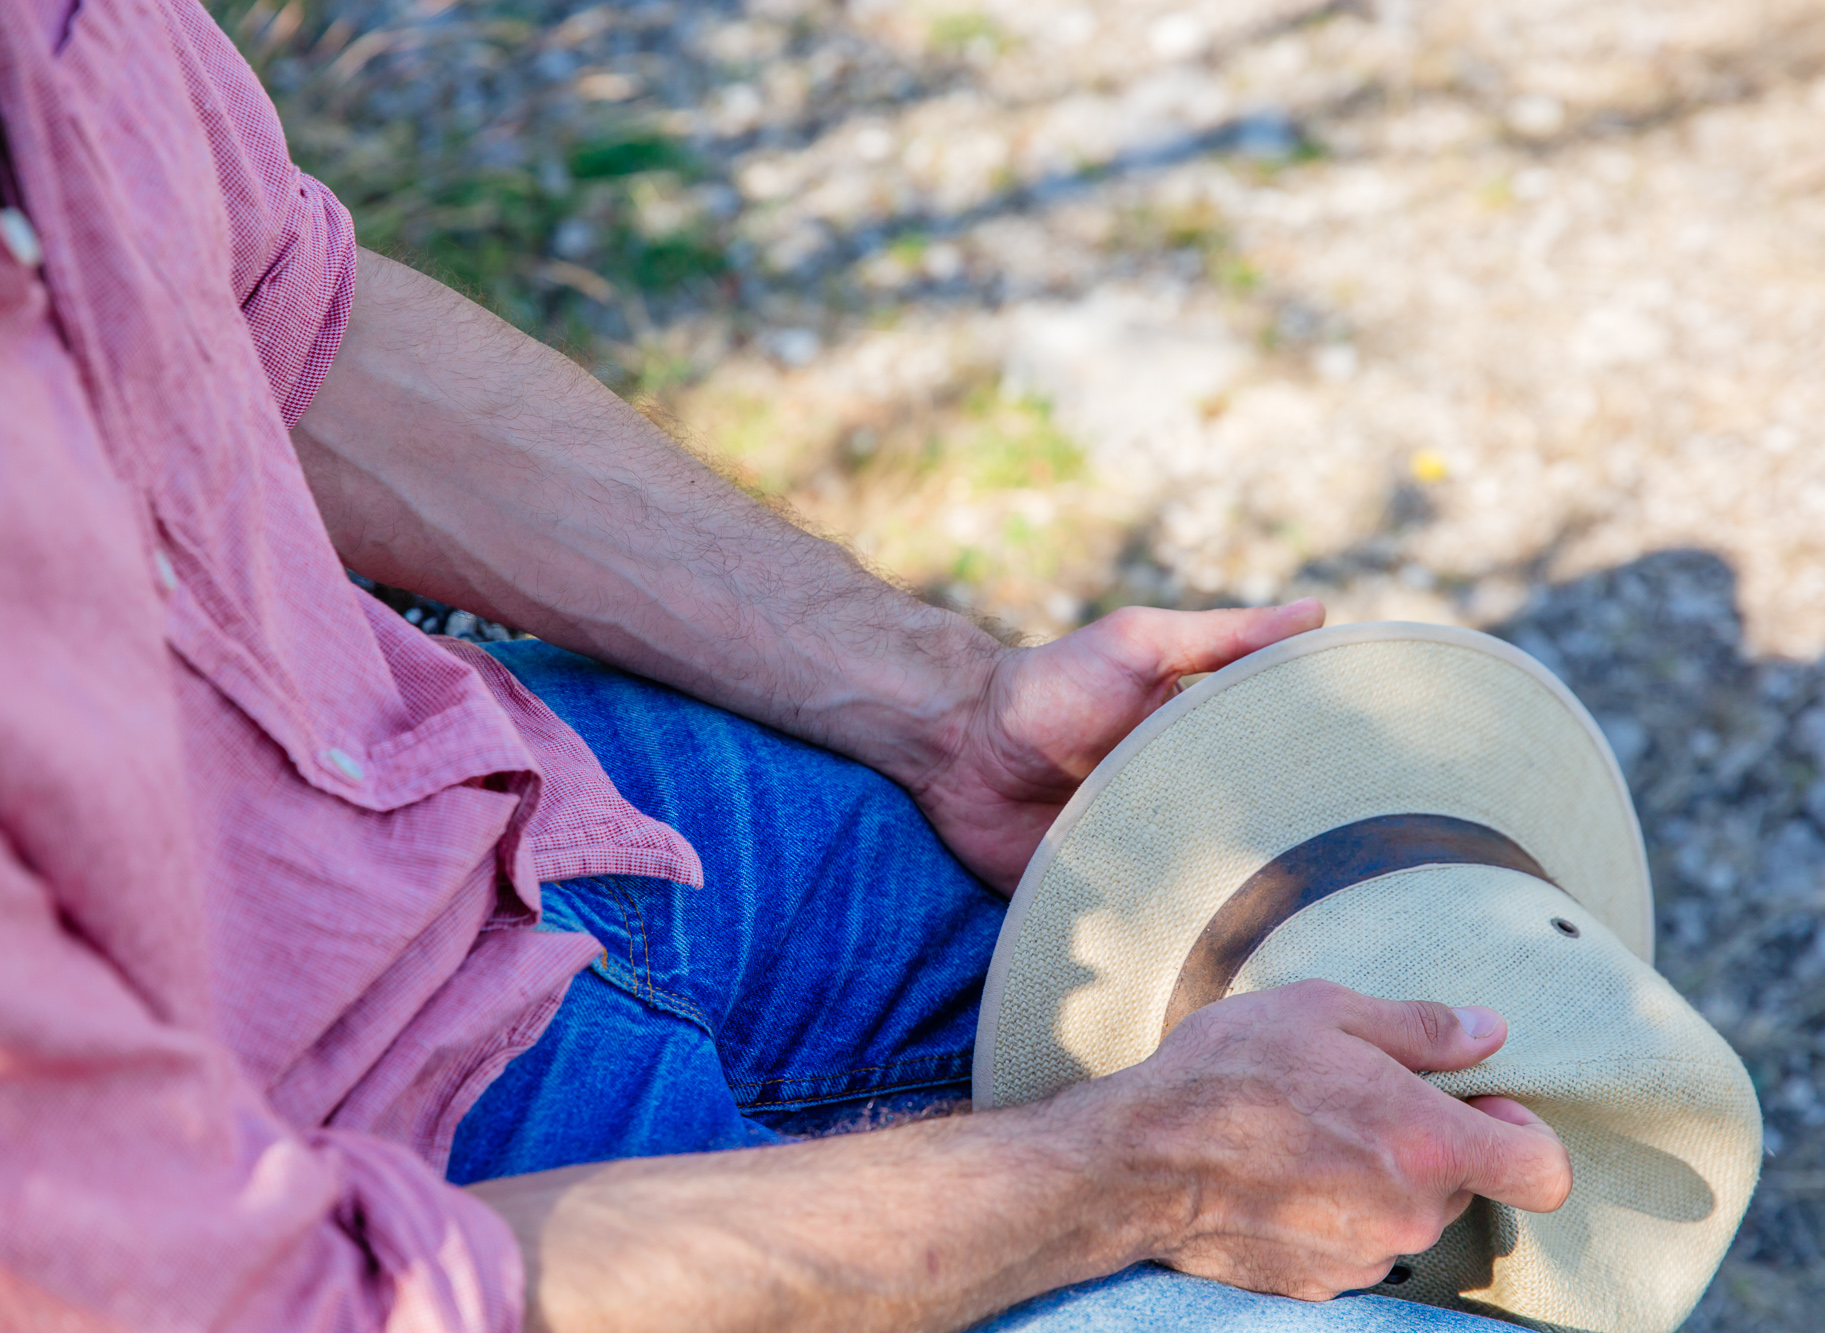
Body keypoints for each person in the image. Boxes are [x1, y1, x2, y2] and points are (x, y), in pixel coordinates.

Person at [0, 0, 1572, 1328]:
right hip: (346, 1201)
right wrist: (1140, 1170)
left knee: (1366, 974)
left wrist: (947, 701)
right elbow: (280, 1303)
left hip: (505, 806)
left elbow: (281, 319)